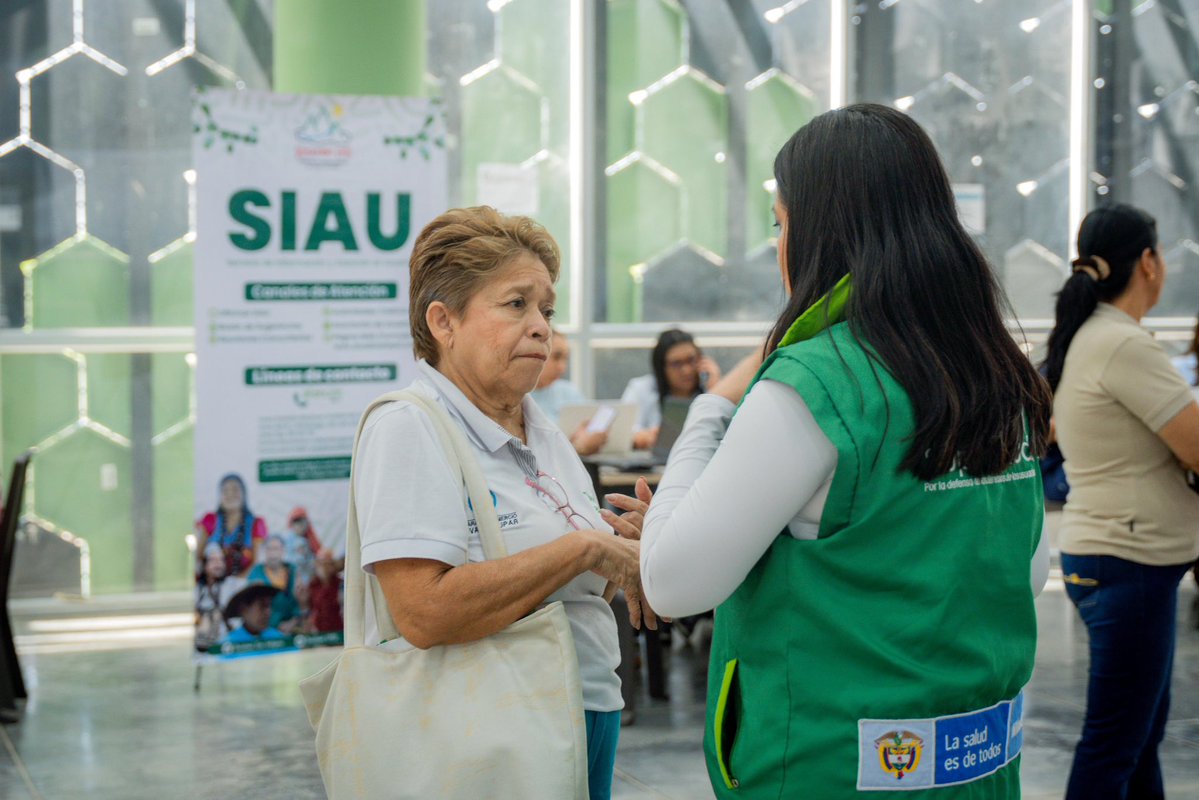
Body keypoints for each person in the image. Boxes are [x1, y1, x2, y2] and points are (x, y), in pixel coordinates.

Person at [639, 104, 1053, 797]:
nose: (779, 246)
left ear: (821, 233)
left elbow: (671, 581)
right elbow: (1026, 570)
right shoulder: (998, 377)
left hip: (831, 765)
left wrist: (707, 415)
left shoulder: (816, 384)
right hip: (976, 764)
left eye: (780, 224)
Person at [353, 206, 655, 800]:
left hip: (587, 706)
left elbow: (570, 591)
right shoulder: (410, 427)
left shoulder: (546, 437)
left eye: (547, 310)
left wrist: (623, 549)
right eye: (516, 304)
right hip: (483, 728)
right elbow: (423, 613)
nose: (542, 327)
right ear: (444, 321)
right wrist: (582, 548)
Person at [1043, 203, 1199, 799]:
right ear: (1149, 263)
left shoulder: (1096, 336)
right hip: (1127, 562)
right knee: (1114, 745)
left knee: (1137, 739)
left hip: (1122, 559)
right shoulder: (1121, 343)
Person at [620, 329, 721, 450]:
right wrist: (641, 437)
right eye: (676, 364)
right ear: (662, 367)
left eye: (691, 360)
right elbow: (623, 431)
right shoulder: (642, 389)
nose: (686, 370)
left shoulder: (710, 388)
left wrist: (716, 389)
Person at [531, 331, 609, 456]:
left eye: (565, 358)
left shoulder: (569, 392)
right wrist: (577, 447)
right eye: (556, 357)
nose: (562, 367)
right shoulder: (517, 399)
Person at [194, 473, 267, 578]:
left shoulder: (256, 523)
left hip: (243, 583)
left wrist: (235, 583)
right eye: (225, 491)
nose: (230, 494)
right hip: (212, 583)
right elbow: (198, 556)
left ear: (244, 494)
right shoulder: (210, 519)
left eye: (235, 490)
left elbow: (257, 563)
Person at [246, 534, 304, 634]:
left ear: (283, 550)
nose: (273, 553)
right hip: (265, 630)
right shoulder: (256, 573)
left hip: (293, 627)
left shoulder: (293, 570)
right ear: (264, 551)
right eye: (269, 549)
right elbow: (252, 605)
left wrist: (293, 622)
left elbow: (302, 602)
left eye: (276, 549)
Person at [194, 543, 246, 651]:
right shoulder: (197, 590)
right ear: (204, 565)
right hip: (204, 647)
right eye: (213, 560)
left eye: (221, 560)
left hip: (231, 645)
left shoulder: (234, 584)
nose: (218, 564)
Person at [222, 583, 287, 645]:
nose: (268, 612)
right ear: (244, 610)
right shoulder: (228, 645)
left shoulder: (280, 640)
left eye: (269, 605)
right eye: (262, 605)